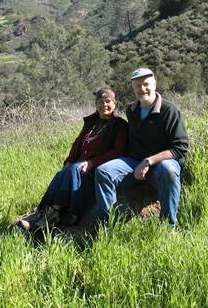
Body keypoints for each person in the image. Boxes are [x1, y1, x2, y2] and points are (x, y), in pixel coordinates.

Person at [17, 88, 128, 231]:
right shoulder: (91, 123)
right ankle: (42, 213)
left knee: (72, 170)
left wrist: (92, 163)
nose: (104, 105)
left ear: (114, 104)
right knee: (62, 173)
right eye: (100, 102)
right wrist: (69, 160)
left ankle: (54, 213)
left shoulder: (120, 125)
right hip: (78, 167)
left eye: (108, 101)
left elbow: (117, 152)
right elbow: (77, 144)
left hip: (96, 168)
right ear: (96, 104)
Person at [94, 68, 189, 227]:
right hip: (134, 162)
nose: (142, 89)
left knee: (169, 170)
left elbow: (180, 148)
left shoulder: (169, 111)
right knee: (103, 171)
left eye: (146, 84)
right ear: (133, 87)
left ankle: (168, 226)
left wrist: (148, 161)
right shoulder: (132, 110)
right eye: (137, 85)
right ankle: (107, 226)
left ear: (154, 84)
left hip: (161, 164)